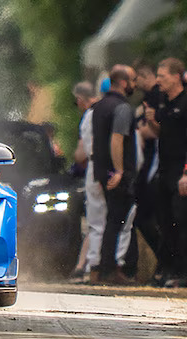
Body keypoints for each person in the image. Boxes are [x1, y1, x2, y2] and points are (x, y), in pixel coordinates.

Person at [90, 64, 139, 285]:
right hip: (116, 173)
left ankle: (104, 266)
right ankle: (111, 268)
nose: (134, 85)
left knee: (110, 219)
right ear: (123, 82)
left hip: (101, 170)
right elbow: (117, 139)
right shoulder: (122, 108)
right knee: (117, 220)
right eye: (133, 80)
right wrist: (120, 170)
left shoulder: (99, 107)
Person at [144, 57, 187, 287]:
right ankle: (170, 268)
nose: (158, 80)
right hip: (164, 167)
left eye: (162, 76)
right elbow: (162, 133)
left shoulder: (185, 101)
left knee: (181, 219)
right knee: (164, 218)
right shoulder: (163, 101)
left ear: (176, 76)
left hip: (181, 168)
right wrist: (151, 122)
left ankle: (183, 271)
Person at [70, 81, 103, 283]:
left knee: (95, 222)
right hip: (111, 169)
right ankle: (83, 265)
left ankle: (89, 266)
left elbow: (81, 154)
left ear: (80, 99)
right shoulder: (109, 110)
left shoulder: (89, 116)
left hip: (95, 168)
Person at [133, 61, 162, 263]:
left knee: (149, 215)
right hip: (148, 163)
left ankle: (167, 260)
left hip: (157, 161)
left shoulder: (158, 97)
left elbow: (156, 130)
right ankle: (164, 260)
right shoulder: (148, 99)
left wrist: (141, 131)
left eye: (136, 79)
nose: (134, 84)